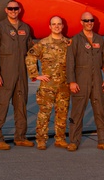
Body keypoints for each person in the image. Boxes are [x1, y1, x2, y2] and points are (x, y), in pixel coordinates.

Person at [0, 0, 35, 149]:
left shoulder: (25, 28)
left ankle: (20, 136)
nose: (13, 11)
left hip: (21, 73)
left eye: (16, 9)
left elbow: (32, 51)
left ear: (19, 10)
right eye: (10, 9)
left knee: (21, 105)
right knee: (1, 105)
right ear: (6, 10)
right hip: (5, 71)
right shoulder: (0, 28)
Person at [67, 13, 104, 151]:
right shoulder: (75, 40)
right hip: (81, 79)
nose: (89, 22)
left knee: (100, 110)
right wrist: (72, 82)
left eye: (91, 20)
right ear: (81, 22)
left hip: (97, 80)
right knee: (77, 111)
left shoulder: (99, 39)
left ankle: (103, 140)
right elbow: (70, 63)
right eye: (86, 20)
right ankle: (74, 141)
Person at [26, 16, 71, 150]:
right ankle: (41, 139)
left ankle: (60, 138)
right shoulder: (43, 43)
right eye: (54, 24)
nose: (56, 26)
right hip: (47, 85)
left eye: (59, 24)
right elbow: (30, 56)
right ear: (50, 27)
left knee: (62, 113)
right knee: (44, 113)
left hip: (64, 85)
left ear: (62, 26)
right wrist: (35, 75)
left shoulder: (68, 44)